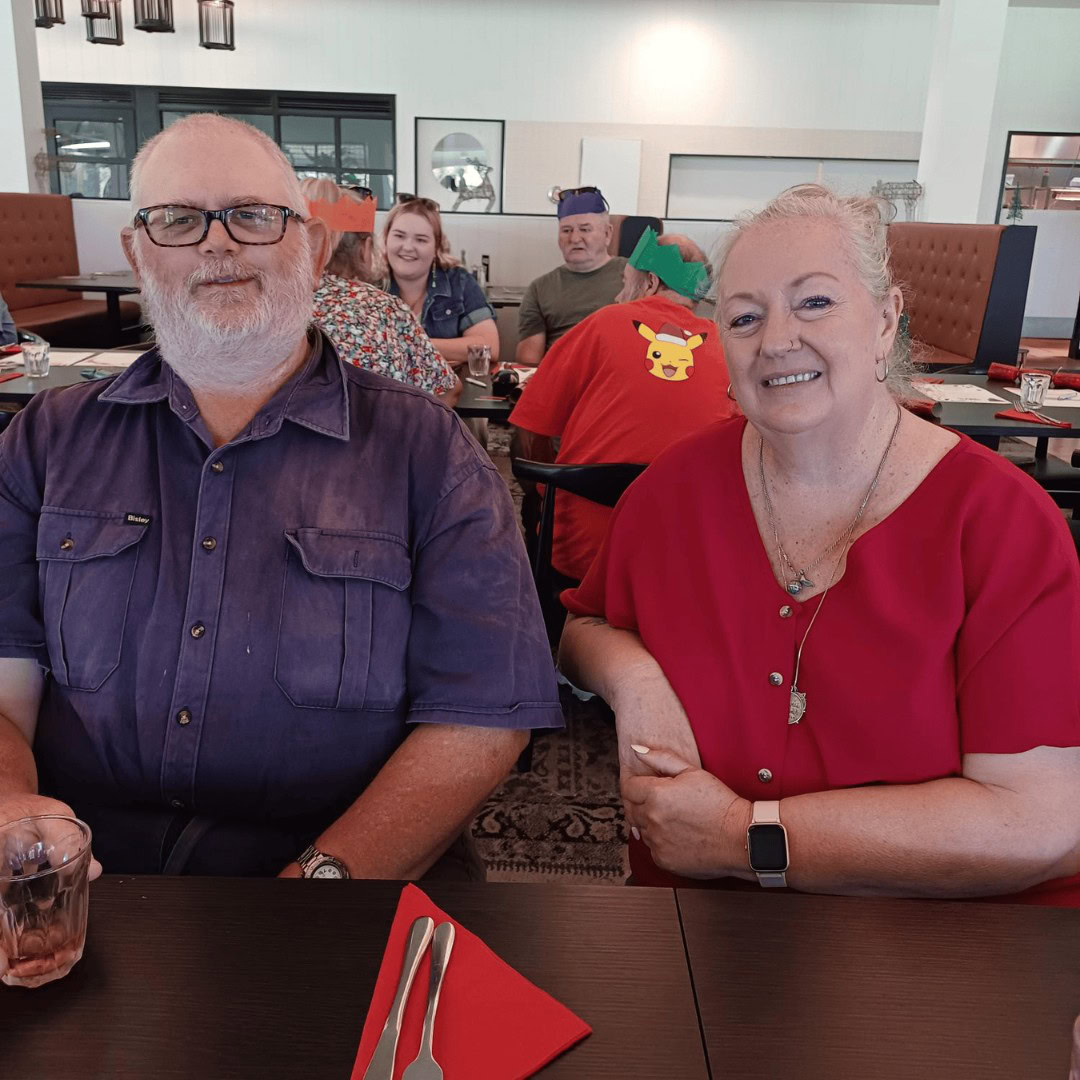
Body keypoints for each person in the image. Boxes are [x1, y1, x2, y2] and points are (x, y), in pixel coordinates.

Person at [0, 114, 562, 891]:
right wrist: (11, 813)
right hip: (90, 880)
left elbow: (482, 717)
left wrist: (316, 888)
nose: (217, 243)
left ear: (314, 248)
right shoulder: (46, 439)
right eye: (178, 218)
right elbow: (4, 678)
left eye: (256, 216)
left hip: (346, 883)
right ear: (137, 252)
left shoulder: (428, 450)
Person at [559, 185, 1080, 905]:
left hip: (938, 948)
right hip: (700, 929)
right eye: (745, 317)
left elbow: (1040, 821)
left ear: (886, 320)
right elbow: (584, 625)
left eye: (814, 303)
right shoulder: (672, 490)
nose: (776, 340)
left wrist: (747, 834)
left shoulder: (998, 522)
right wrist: (635, 679)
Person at [510, 230, 737, 585]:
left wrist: (547, 485)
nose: (619, 294)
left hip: (581, 553)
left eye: (624, 281)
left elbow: (530, 427)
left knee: (531, 505)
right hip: (684, 556)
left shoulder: (601, 324)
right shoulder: (727, 350)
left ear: (649, 281)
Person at [302, 179, 459, 401]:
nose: (408, 247)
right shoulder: (385, 309)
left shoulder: (265, 306)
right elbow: (448, 391)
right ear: (366, 250)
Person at [383, 197, 499, 369]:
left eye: (421, 240)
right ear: (386, 239)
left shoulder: (459, 282)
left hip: (448, 392)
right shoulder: (368, 284)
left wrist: (412, 344)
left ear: (436, 247)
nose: (408, 247)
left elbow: (488, 347)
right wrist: (449, 350)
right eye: (399, 236)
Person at [515, 187, 626, 366]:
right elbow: (528, 362)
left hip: (618, 378)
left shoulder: (638, 278)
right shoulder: (540, 288)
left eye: (585, 229)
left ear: (608, 234)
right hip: (562, 381)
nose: (574, 239)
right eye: (566, 230)